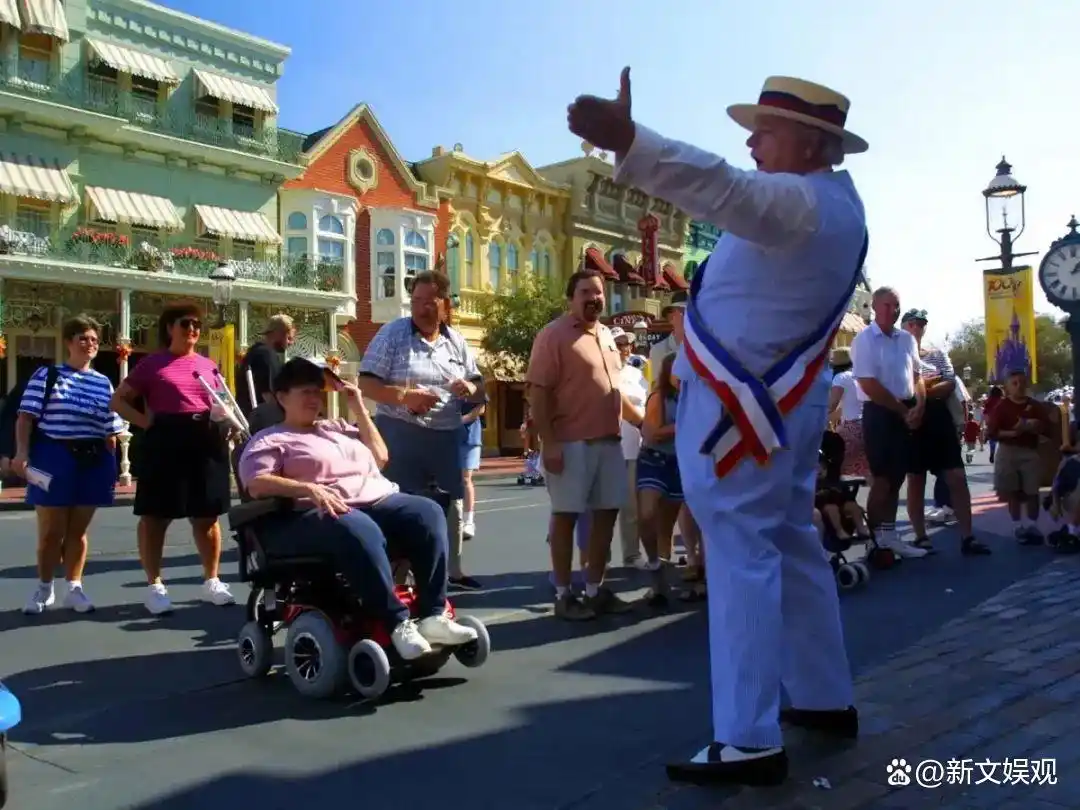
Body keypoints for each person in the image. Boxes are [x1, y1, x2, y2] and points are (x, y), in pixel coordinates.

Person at [570, 70, 864, 784]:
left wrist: (632, 142)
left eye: (765, 129)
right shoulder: (826, 204)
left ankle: (747, 737)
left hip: (746, 411)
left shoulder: (799, 202)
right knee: (789, 540)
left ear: (811, 142)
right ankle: (823, 696)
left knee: (740, 556)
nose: (752, 140)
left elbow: (725, 188)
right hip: (771, 404)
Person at [238, 357, 478, 659]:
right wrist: (308, 488)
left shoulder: (337, 427)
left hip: (376, 501)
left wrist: (360, 407)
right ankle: (396, 623)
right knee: (357, 527)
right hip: (316, 515)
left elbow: (380, 456)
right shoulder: (271, 439)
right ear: (282, 397)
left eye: (318, 392)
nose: (315, 399)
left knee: (426, 513)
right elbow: (256, 483)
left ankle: (433, 616)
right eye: (306, 392)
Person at [357, 270, 485, 591]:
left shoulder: (456, 342)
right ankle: (396, 579)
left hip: (445, 436)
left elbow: (481, 388)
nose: (421, 308)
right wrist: (406, 397)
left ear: (445, 304)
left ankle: (452, 572)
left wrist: (469, 387)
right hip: (400, 432)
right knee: (399, 502)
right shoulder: (393, 334)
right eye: (416, 301)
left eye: (429, 301)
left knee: (451, 501)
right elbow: (366, 382)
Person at [527, 268, 644, 620]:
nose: (594, 298)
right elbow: (538, 393)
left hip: (610, 442)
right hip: (570, 442)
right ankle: (564, 595)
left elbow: (614, 390)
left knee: (606, 516)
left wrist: (641, 423)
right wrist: (549, 444)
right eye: (585, 292)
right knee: (566, 517)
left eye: (598, 292)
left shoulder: (607, 335)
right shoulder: (553, 336)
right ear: (571, 298)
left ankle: (595, 589)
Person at [109, 302, 236, 615]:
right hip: (166, 439)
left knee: (207, 516)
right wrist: (145, 422)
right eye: (185, 323)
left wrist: (226, 423)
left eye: (196, 325)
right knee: (155, 516)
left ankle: (212, 581)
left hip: (205, 439)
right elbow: (118, 400)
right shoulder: (153, 364)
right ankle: (155, 586)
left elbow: (222, 402)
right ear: (170, 328)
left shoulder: (209, 365)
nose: (192, 329)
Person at [13, 315, 126, 615]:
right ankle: (44, 587)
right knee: (52, 530)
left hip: (93, 459)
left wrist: (111, 467)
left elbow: (110, 429)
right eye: (83, 338)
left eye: (94, 340)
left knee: (78, 531)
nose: (89, 344)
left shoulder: (103, 382)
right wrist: (21, 453)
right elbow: (25, 417)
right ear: (68, 342)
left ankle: (74, 588)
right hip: (54, 455)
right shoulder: (47, 375)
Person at [850, 289, 929, 560]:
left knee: (897, 478)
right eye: (887, 305)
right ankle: (876, 539)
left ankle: (889, 534)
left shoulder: (907, 339)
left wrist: (920, 404)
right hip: (880, 413)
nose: (892, 310)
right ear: (874, 306)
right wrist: (899, 409)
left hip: (905, 411)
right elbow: (867, 383)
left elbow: (917, 376)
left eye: (896, 305)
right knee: (882, 479)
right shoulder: (864, 340)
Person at [899, 308, 986, 554]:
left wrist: (921, 391)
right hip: (912, 420)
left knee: (957, 478)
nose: (917, 328)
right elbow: (900, 386)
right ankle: (920, 536)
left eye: (921, 324)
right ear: (904, 326)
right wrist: (928, 385)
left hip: (938, 420)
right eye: (912, 323)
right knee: (915, 479)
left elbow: (949, 381)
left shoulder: (937, 353)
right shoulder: (897, 354)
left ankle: (968, 536)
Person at [986, 368, 1053, 544]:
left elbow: (1048, 429)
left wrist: (1036, 425)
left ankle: (1032, 525)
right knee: (1012, 492)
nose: (1019, 387)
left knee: (1032, 491)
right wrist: (1014, 432)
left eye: (1022, 383)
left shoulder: (1035, 406)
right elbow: (992, 433)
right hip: (1008, 451)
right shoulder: (1001, 407)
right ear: (1007, 387)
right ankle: (1018, 526)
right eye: (1014, 383)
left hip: (1030, 451)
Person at [636, 353, 683, 605]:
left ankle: (659, 585)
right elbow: (652, 433)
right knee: (646, 514)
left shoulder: (692, 397)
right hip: (653, 460)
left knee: (666, 528)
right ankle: (653, 562)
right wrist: (684, 425)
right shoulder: (659, 397)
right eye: (677, 370)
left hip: (678, 463)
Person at [612, 327, 649, 567]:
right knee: (603, 508)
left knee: (633, 507)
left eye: (626, 344)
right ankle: (597, 559)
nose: (624, 348)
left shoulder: (638, 375)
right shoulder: (605, 373)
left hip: (637, 449)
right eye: (619, 344)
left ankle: (632, 554)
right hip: (612, 447)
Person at [238, 314, 295, 417]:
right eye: (289, 338)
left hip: (248, 417)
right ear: (278, 333)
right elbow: (268, 394)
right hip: (263, 421)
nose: (291, 343)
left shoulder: (254, 352)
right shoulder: (267, 354)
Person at [827, 347, 868, 477]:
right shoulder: (858, 376)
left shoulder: (840, 377)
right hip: (866, 426)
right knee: (866, 470)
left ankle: (840, 495)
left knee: (835, 467)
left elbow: (832, 405)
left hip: (850, 427)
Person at [459, 395, 486, 539]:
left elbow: (481, 407)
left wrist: (462, 420)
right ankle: (452, 518)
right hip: (447, 436)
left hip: (469, 438)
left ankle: (468, 521)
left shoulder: (474, 380)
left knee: (465, 479)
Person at [984, 386, 1004, 462]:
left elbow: (986, 412)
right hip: (1001, 421)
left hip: (992, 421)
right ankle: (1001, 455)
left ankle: (992, 452)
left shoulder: (989, 401)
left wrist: (987, 422)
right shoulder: (1002, 400)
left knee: (992, 439)